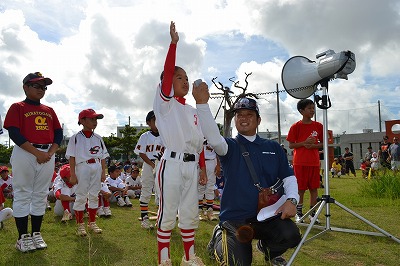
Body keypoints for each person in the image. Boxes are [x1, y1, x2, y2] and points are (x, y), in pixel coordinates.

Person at [193, 88, 301, 265]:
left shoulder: (274, 147)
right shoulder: (229, 146)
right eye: (239, 114)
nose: (244, 118)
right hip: (236, 219)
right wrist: (202, 105)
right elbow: (213, 138)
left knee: (291, 235)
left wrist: (292, 200)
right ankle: (219, 236)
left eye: (249, 114)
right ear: (235, 119)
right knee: (237, 263)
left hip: (267, 216)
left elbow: (289, 178)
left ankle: (267, 249)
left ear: (259, 120)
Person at [153, 21, 207, 266]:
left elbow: (199, 142)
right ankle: (164, 259)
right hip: (172, 164)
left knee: (189, 213)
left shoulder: (192, 110)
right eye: (179, 77)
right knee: (167, 214)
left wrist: (203, 168)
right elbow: (166, 78)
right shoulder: (166, 106)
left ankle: (189, 257)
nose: (185, 81)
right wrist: (173, 45)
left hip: (191, 165)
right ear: (167, 81)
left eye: (186, 77)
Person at [3, 72, 63, 252]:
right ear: (25, 87)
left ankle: (36, 233)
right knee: (22, 193)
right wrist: (36, 152)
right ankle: (22, 237)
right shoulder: (17, 107)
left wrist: (50, 152)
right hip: (25, 151)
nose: (41, 89)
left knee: (40, 194)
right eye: (36, 85)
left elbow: (58, 133)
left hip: (47, 154)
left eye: (43, 86)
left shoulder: (49, 110)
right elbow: (13, 132)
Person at [66, 108, 109, 236]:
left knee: (94, 195)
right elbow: (72, 157)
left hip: (96, 166)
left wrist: (103, 172)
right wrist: (73, 174)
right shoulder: (75, 138)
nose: (95, 121)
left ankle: (92, 222)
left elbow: (102, 157)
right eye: (91, 119)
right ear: (82, 120)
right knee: (81, 195)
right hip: (82, 166)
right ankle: (80, 225)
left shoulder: (98, 138)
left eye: (96, 119)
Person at [287, 99, 323, 224]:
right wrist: (304, 143)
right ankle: (299, 214)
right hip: (300, 163)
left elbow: (323, 144)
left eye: (313, 108)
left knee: (314, 189)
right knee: (300, 190)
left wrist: (313, 146)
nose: (312, 110)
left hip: (314, 162)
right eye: (309, 108)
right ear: (301, 111)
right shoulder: (296, 126)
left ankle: (313, 215)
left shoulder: (318, 126)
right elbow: (291, 145)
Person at [134, 110, 164, 230]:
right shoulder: (145, 136)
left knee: (162, 192)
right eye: (154, 120)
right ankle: (144, 218)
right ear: (148, 122)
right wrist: (152, 164)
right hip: (148, 164)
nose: (157, 122)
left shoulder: (165, 135)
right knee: (146, 190)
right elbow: (141, 153)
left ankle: (160, 218)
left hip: (161, 164)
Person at [198, 139, 220, 221]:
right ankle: (199, 211)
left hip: (211, 161)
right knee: (200, 186)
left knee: (210, 186)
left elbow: (218, 151)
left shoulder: (213, 134)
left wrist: (218, 164)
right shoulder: (198, 131)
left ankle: (209, 211)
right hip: (199, 162)